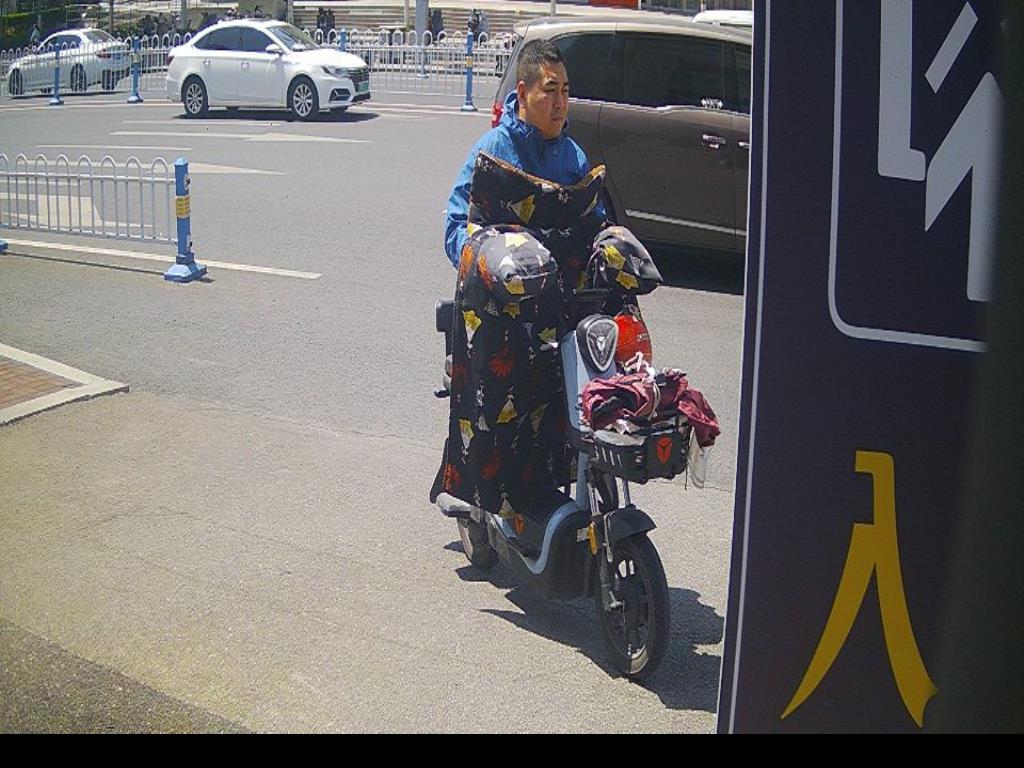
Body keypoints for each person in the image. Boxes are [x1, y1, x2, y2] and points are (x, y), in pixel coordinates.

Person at [443, 39, 604, 267]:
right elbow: (457, 226)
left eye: (565, 91)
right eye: (550, 91)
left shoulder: (575, 159)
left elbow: (594, 223)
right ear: (522, 94)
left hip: (559, 287)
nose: (560, 103)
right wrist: (487, 260)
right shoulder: (492, 151)